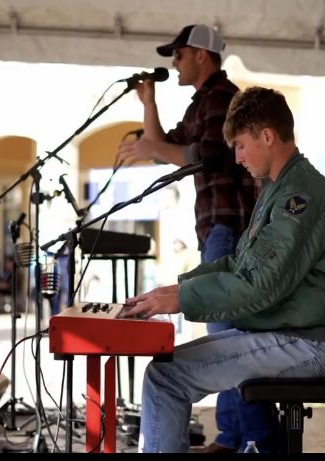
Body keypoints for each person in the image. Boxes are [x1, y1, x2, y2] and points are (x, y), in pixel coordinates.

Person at [122, 86, 325, 453]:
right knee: (165, 371)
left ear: (267, 136)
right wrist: (173, 291)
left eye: (239, 145)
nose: (236, 158)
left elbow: (260, 285)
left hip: (307, 343)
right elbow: (241, 265)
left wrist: (181, 298)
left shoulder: (299, 196)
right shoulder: (279, 189)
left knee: (167, 378)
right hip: (292, 334)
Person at [117, 24, 265, 453]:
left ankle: (247, 439)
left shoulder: (221, 96)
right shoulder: (203, 101)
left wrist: (151, 150)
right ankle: (234, 435)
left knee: (228, 339)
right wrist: (149, 102)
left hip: (231, 228)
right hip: (218, 229)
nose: (174, 64)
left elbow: (207, 155)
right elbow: (165, 143)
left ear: (202, 54)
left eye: (178, 55)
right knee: (225, 336)